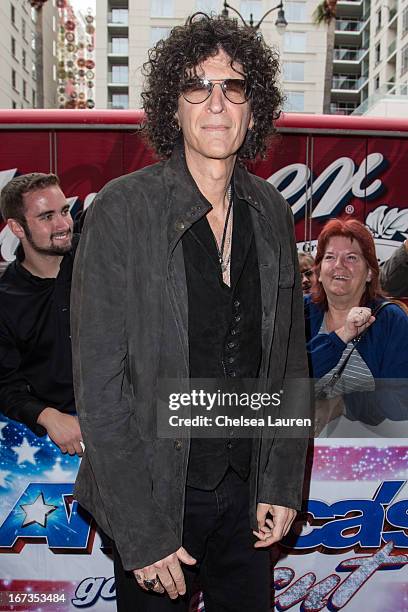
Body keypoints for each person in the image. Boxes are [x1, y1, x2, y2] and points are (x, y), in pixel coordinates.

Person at [71, 14, 309, 612]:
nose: (217, 104)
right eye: (197, 87)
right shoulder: (124, 208)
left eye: (233, 88)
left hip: (246, 495)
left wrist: (280, 482)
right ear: (171, 108)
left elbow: (287, 365)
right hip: (156, 494)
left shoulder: (272, 211)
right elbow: (100, 388)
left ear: (253, 109)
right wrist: (142, 533)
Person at [0, 173, 83, 456]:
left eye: (63, 211)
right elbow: (4, 384)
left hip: (127, 431)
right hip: (49, 448)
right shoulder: (5, 299)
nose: (63, 224)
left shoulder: (100, 261)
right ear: (16, 227)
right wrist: (46, 415)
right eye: (46, 217)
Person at [304, 219, 408, 434]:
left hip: (368, 453)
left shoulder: (390, 319)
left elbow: (401, 399)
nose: (339, 265)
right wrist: (340, 337)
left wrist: (341, 404)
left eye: (351, 257)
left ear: (370, 272)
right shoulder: (300, 312)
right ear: (319, 272)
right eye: (330, 257)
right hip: (295, 454)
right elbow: (287, 375)